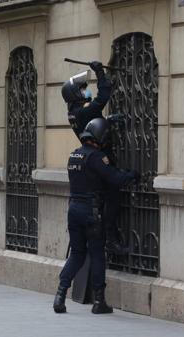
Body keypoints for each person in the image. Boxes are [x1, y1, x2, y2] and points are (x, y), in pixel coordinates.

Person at [53, 118, 137, 314]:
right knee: (98, 253)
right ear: (100, 137)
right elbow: (115, 179)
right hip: (91, 212)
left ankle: (60, 295)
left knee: (76, 254)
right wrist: (132, 175)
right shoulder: (96, 157)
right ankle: (99, 301)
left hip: (73, 210)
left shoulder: (74, 155)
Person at [61, 61, 128, 255]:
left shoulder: (75, 112)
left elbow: (92, 123)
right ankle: (111, 241)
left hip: (91, 159)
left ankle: (109, 239)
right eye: (83, 89)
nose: (85, 91)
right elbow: (103, 96)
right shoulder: (83, 110)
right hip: (98, 156)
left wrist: (108, 121)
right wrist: (100, 72)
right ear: (75, 94)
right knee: (113, 195)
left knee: (106, 199)